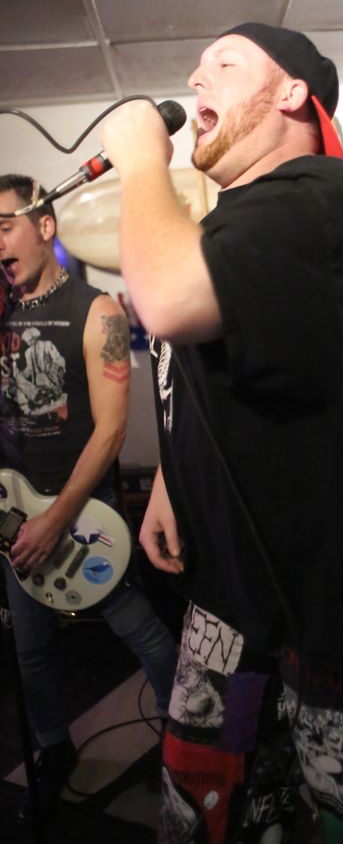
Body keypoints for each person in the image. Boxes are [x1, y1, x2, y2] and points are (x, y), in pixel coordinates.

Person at [100, 23, 343, 843]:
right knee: (208, 808)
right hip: (234, 595)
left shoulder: (319, 193)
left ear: (293, 94)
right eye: (197, 67)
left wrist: (140, 159)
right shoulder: (235, 225)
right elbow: (210, 365)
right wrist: (173, 480)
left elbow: (167, 300)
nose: (196, 79)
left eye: (225, 64)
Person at [0, 174, 178, 822]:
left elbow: (111, 431)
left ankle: (185, 738)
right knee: (31, 650)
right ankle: (54, 747)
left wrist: (56, 517)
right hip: (15, 515)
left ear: (44, 226)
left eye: (4, 227)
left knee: (144, 635)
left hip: (83, 515)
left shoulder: (97, 311)